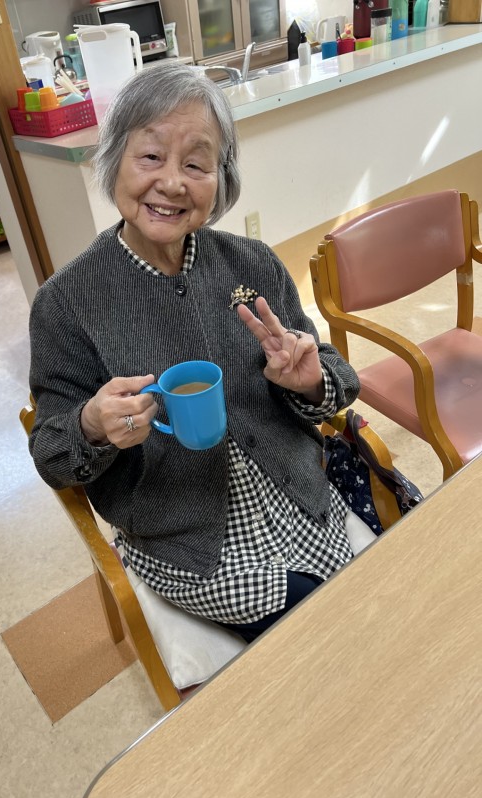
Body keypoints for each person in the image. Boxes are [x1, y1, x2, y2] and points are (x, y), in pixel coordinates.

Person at [28, 62, 361, 644]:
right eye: (150, 156)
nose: (172, 183)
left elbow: (338, 381)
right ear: (114, 160)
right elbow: (52, 454)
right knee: (321, 634)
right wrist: (94, 425)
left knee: (375, 600)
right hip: (187, 540)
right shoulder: (66, 304)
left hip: (297, 496)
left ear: (220, 178)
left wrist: (308, 381)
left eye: (195, 164)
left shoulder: (252, 264)